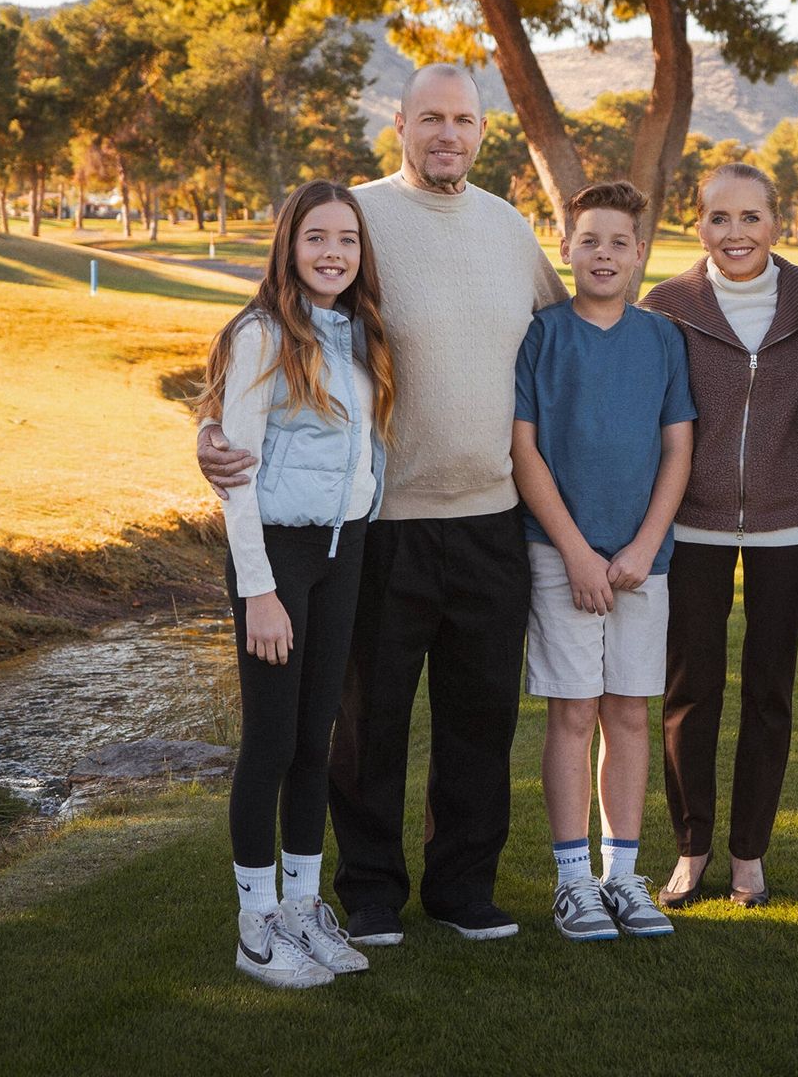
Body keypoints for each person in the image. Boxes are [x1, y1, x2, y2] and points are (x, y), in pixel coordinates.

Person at [199, 65, 567, 945]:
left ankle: (462, 889)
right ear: (399, 123)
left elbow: (571, 330)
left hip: (489, 516)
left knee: (480, 720)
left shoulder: (511, 231)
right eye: (431, 117)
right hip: (380, 527)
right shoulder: (356, 219)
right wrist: (210, 430)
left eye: (465, 120)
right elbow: (274, 334)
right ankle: (369, 893)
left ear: (485, 131)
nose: (449, 133)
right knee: (368, 721)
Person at [195, 180, 395, 987]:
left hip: (343, 553)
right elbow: (234, 475)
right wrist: (261, 590)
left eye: (347, 239)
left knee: (318, 743)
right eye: (317, 237)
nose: (333, 253)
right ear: (289, 245)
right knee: (272, 745)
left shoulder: (359, 334)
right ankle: (257, 926)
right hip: (276, 558)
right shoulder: (259, 335)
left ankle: (306, 911)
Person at [638, 163, 798, 909]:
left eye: (751, 218)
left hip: (794, 521)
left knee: (770, 690)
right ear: (699, 224)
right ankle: (692, 849)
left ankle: (749, 854)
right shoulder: (669, 304)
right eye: (720, 218)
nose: (736, 233)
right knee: (691, 691)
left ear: (777, 223)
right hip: (693, 523)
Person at [511, 180, 696, 941]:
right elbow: (523, 450)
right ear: (566, 249)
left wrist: (647, 544)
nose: (605, 254)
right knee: (573, 712)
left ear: (641, 253)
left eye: (620, 241)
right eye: (590, 240)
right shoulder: (542, 334)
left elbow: (678, 447)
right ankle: (572, 880)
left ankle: (623, 876)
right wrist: (578, 553)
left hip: (643, 560)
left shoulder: (661, 338)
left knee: (628, 712)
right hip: (562, 557)